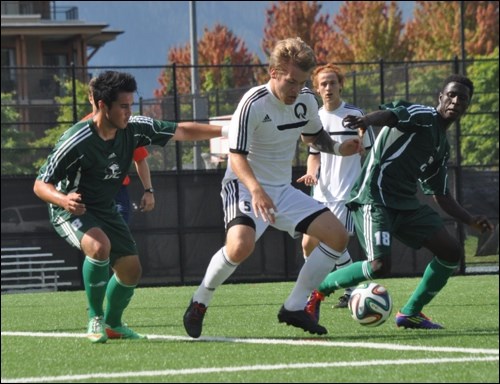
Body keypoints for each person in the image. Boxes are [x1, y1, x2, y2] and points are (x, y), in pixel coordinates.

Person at [182, 37, 363, 338]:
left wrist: (339, 148)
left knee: (338, 236)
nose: (296, 90)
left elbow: (314, 138)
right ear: (274, 72)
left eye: (302, 83)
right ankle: (200, 300)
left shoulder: (306, 101)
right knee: (240, 246)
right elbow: (236, 156)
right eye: (291, 82)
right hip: (243, 185)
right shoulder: (252, 104)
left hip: (281, 189)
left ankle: (294, 305)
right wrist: (255, 190)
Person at [34, 70, 226, 343]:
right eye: (123, 106)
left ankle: (113, 324)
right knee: (99, 247)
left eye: (130, 106)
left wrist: (226, 130)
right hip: (68, 208)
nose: (128, 112)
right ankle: (95, 319)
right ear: (103, 106)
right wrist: (63, 200)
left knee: (131, 270)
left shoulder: (134, 128)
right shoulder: (75, 140)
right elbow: (40, 184)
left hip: (104, 207)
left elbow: (180, 130)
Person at [305, 74, 494, 329]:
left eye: (463, 98)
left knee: (451, 252)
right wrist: (366, 121)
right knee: (379, 266)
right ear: (441, 97)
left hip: (405, 204)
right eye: (451, 94)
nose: (456, 100)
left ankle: (411, 313)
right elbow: (392, 115)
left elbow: (440, 194)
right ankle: (317, 292)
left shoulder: (441, 146)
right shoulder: (423, 115)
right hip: (375, 196)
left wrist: (470, 219)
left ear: (467, 106)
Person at [297, 64, 375, 310]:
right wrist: (310, 172)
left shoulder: (354, 115)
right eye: (323, 84)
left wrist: (364, 182)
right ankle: (339, 288)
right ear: (317, 89)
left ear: (341, 85)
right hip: (321, 193)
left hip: (345, 193)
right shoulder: (315, 118)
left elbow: (370, 153)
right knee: (307, 244)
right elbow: (314, 154)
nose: (328, 88)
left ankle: (337, 290)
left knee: (332, 243)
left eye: (332, 82)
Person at [83, 78, 154, 223]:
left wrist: (148, 191)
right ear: (90, 98)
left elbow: (140, 159)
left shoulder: (125, 127)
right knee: (96, 242)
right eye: (95, 95)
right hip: (90, 192)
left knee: (119, 236)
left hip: (117, 191)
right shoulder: (81, 130)